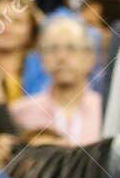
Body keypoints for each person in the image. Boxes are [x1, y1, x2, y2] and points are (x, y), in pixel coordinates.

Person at [11, 16, 103, 144]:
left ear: (90, 58)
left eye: (71, 48)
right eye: (52, 49)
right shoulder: (21, 112)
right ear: (42, 59)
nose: (61, 57)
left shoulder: (105, 110)